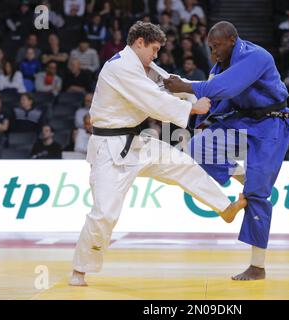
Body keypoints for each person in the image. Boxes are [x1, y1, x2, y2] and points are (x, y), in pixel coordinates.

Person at [70, 21, 247, 287]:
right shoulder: (119, 68)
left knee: (182, 164)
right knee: (105, 214)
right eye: (153, 49)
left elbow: (173, 84)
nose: (156, 55)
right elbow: (154, 100)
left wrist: (209, 88)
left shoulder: (144, 66)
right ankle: (79, 271)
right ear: (139, 42)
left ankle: (225, 208)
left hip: (137, 142)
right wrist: (191, 109)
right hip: (110, 150)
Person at [164, 21, 289, 280]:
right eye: (210, 48)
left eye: (216, 46)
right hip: (243, 120)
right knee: (197, 147)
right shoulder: (219, 66)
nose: (213, 52)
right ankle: (240, 175)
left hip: (272, 123)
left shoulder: (257, 56)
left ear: (231, 40)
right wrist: (193, 112)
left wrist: (184, 85)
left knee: (257, 195)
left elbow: (225, 88)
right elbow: (211, 99)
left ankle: (257, 266)